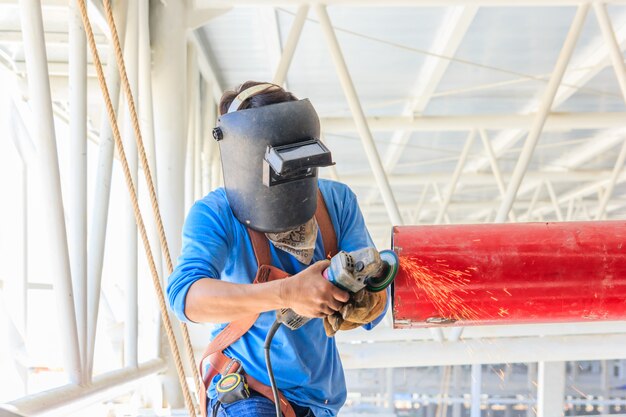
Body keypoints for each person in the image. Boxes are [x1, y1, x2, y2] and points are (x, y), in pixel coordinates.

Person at [167, 81, 389, 417]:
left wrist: (365, 301)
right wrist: (287, 292)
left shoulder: (337, 203)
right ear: (244, 157)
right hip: (250, 394)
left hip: (321, 400)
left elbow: (376, 288)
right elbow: (186, 298)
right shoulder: (216, 213)